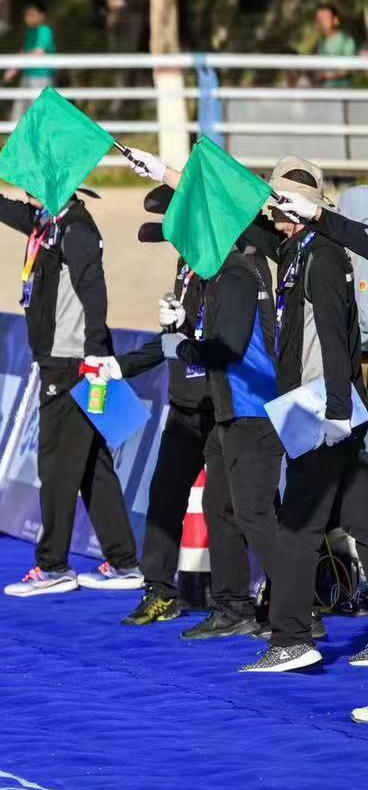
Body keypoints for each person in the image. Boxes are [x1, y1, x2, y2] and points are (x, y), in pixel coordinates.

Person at [0, 155, 144, 597]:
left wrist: (95, 355)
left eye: (31, 183)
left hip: (73, 363)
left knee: (57, 465)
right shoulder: (47, 222)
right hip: (64, 360)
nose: (23, 192)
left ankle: (53, 566)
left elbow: (95, 294)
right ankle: (124, 562)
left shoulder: (77, 229)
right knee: (91, 466)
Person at [113, 147, 283, 635]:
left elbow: (218, 342)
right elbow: (184, 337)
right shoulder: (190, 268)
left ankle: (279, 602)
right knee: (173, 494)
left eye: (177, 217)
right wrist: (131, 358)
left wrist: (167, 171)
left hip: (229, 399)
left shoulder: (235, 262)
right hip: (189, 398)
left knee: (238, 508)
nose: (171, 230)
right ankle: (165, 590)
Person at [246, 159, 361, 674]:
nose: (275, 215)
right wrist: (166, 173)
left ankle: (292, 636)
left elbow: (338, 338)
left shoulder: (324, 256)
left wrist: (337, 411)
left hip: (323, 407)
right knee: (358, 518)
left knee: (295, 526)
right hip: (308, 404)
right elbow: (234, 211)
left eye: (285, 205)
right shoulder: (295, 249)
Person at [2, 1, 57, 119]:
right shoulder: (29, 32)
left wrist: (23, 58)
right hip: (28, 75)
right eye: (26, 15)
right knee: (21, 109)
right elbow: (24, 51)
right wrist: (13, 68)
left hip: (41, 76)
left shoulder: (45, 31)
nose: (28, 18)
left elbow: (39, 52)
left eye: (32, 14)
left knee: (39, 109)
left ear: (42, 16)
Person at [308, 4, 359, 89]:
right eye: (319, 19)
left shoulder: (346, 40)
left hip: (342, 95)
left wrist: (326, 76)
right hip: (324, 94)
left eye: (325, 18)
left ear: (335, 19)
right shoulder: (321, 43)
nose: (321, 21)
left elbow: (350, 68)